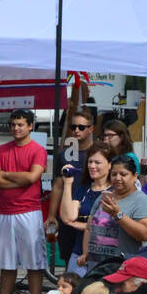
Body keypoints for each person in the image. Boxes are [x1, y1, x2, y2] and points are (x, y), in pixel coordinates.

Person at [0, 109, 47, 294]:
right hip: (5, 212)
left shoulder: (37, 150)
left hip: (29, 212)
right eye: (13, 124)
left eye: (20, 124)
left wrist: (6, 175)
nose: (16, 128)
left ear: (30, 126)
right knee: (6, 262)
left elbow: (32, 177)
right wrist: (19, 178)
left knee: (34, 263)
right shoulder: (2, 149)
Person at [77, 155, 147, 274]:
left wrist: (117, 215)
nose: (117, 178)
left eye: (123, 174)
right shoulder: (104, 197)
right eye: (114, 174)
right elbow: (89, 227)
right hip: (95, 268)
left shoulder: (143, 201)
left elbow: (145, 234)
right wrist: (85, 253)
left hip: (122, 270)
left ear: (135, 176)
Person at [48, 107, 98, 264]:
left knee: (92, 257)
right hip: (67, 213)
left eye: (81, 127)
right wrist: (51, 216)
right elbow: (57, 186)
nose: (76, 130)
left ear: (91, 129)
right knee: (70, 259)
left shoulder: (99, 153)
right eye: (73, 127)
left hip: (90, 212)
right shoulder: (64, 154)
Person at [59, 143, 111, 271]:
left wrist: (82, 225)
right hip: (79, 253)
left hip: (105, 255)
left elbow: (107, 225)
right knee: (72, 289)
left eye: (97, 162)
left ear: (110, 165)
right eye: (90, 162)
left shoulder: (115, 191)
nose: (92, 166)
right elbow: (68, 217)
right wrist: (67, 183)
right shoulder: (84, 188)